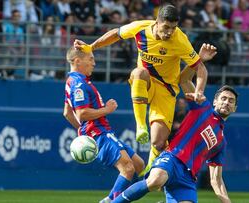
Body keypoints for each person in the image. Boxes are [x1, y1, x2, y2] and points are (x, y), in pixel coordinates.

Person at [74, 4, 209, 175]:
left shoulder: (180, 40)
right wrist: (91, 47)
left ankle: (152, 165)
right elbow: (116, 34)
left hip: (166, 90)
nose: (169, 32)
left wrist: (199, 91)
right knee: (138, 72)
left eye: (173, 28)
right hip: (146, 82)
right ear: (157, 22)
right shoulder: (141, 28)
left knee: (158, 143)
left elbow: (201, 68)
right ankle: (140, 126)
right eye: (166, 27)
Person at [110, 44, 235, 203]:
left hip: (188, 178)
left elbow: (216, 180)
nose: (226, 102)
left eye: (231, 101)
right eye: (223, 98)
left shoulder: (221, 142)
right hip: (173, 157)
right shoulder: (203, 107)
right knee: (156, 180)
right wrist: (199, 60)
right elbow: (184, 80)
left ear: (234, 108)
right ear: (216, 101)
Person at [63, 47, 144, 203]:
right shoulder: (78, 84)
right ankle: (113, 201)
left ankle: (112, 199)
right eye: (91, 59)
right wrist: (107, 109)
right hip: (98, 132)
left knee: (139, 165)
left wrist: (82, 132)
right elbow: (82, 113)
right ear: (78, 61)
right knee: (127, 168)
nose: (94, 63)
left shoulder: (72, 82)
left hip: (100, 131)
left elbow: (67, 112)